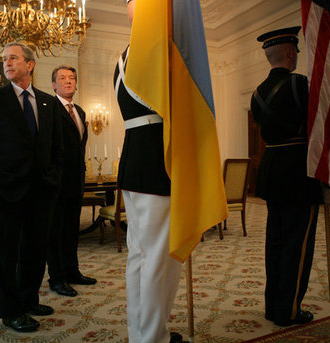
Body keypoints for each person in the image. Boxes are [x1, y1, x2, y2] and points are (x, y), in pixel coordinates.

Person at [0, 42, 64, 332]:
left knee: (35, 249)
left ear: (30, 64)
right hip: (5, 192)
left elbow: (57, 148)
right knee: (5, 254)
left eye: (13, 58)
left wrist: (53, 178)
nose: (7, 63)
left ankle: (28, 299)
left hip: (41, 192)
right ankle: (11, 311)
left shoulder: (49, 102)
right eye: (4, 59)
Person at [113, 1, 185, 342]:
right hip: (157, 162)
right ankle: (152, 337)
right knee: (158, 259)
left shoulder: (124, 55)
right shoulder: (157, 49)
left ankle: (140, 332)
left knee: (140, 258)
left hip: (133, 162)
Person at [250, 26, 322, 327]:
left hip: (271, 170)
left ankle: (273, 305)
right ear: (290, 52)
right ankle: (288, 310)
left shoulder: (256, 93)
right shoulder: (299, 85)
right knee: (297, 244)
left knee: (276, 241)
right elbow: (318, 127)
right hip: (298, 172)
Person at [46, 65, 96, 297]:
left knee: (71, 229)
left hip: (75, 181)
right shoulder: (48, 109)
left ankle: (72, 271)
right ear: (54, 85)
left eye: (72, 78)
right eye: (63, 78)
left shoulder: (80, 112)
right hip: (55, 183)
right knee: (55, 231)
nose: (68, 82)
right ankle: (56, 278)